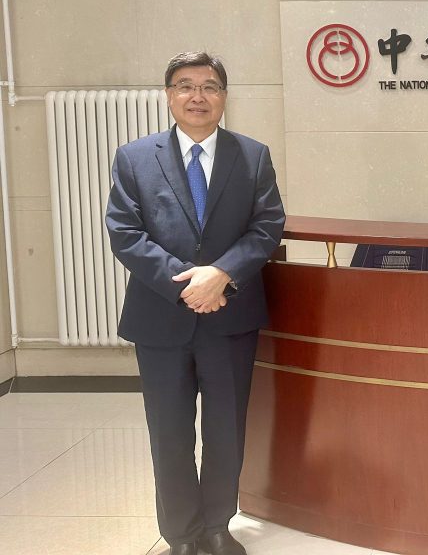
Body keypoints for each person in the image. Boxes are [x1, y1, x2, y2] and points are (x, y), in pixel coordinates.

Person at [106, 52, 285, 555]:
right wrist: (188, 285)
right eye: (185, 86)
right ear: (169, 96)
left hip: (230, 317)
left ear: (224, 97)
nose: (197, 96)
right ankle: (181, 535)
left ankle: (217, 526)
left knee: (226, 429)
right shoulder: (135, 158)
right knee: (169, 433)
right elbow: (125, 232)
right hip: (160, 318)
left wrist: (222, 275)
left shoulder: (252, 156)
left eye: (209, 87)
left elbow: (267, 225)